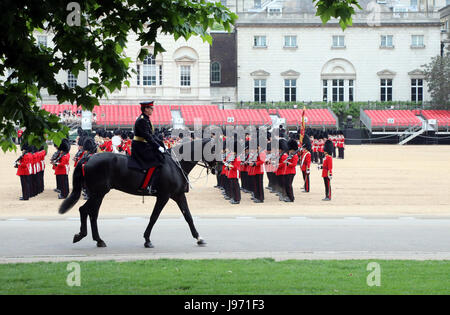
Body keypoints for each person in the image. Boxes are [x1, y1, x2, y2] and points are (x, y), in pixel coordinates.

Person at [130, 101, 166, 195]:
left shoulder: (146, 119)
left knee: (161, 156)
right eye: (151, 108)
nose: (152, 110)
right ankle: (146, 185)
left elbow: (152, 135)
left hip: (144, 145)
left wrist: (161, 145)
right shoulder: (142, 120)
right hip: (140, 146)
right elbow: (147, 136)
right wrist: (158, 147)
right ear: (146, 109)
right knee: (156, 160)